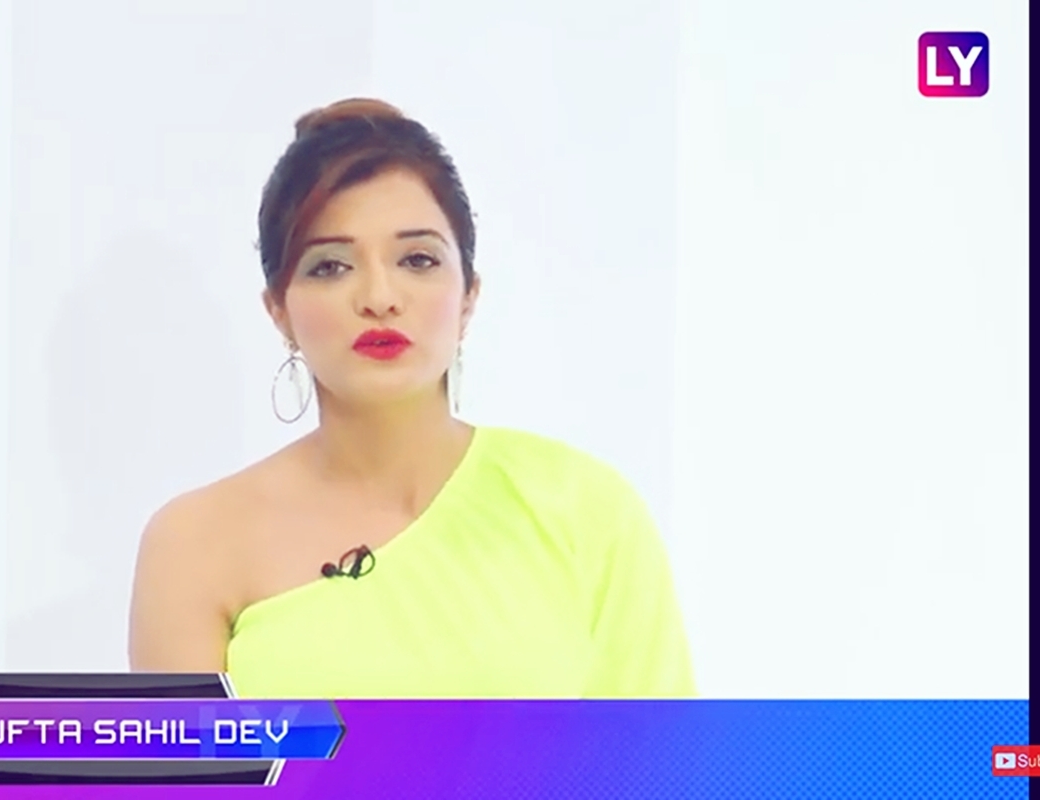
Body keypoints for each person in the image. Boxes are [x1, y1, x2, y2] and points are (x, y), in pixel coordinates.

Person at [127, 98, 695, 699]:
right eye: (330, 266)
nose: (379, 296)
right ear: (279, 311)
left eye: (417, 259)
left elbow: (662, 750)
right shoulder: (194, 544)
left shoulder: (584, 508)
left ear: (468, 297)